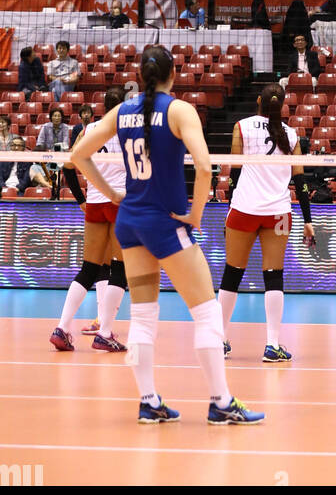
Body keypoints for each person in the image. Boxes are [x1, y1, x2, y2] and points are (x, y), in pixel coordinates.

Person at [69, 44, 263, 425]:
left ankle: (148, 400)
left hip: (131, 222)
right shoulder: (178, 110)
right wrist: (195, 214)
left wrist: (112, 195)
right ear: (173, 74)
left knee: (142, 317)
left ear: (140, 77)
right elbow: (206, 167)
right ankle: (220, 402)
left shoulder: (121, 111)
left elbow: (78, 155)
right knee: (207, 312)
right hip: (165, 224)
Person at [218, 85, 315, 363]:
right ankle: (272, 345)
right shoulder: (292, 134)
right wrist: (308, 220)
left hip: (244, 209)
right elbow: (301, 181)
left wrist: (229, 209)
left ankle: (218, 339)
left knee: (232, 273)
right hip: (279, 213)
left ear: (258, 101)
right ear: (282, 105)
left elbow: (234, 173)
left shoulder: (242, 126)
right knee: (274, 274)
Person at [50, 87, 129, 353]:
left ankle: (61, 327)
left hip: (95, 203)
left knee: (89, 268)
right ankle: (105, 333)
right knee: (119, 269)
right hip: (120, 202)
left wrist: (80, 199)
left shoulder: (89, 129)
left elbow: (69, 165)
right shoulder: (134, 130)